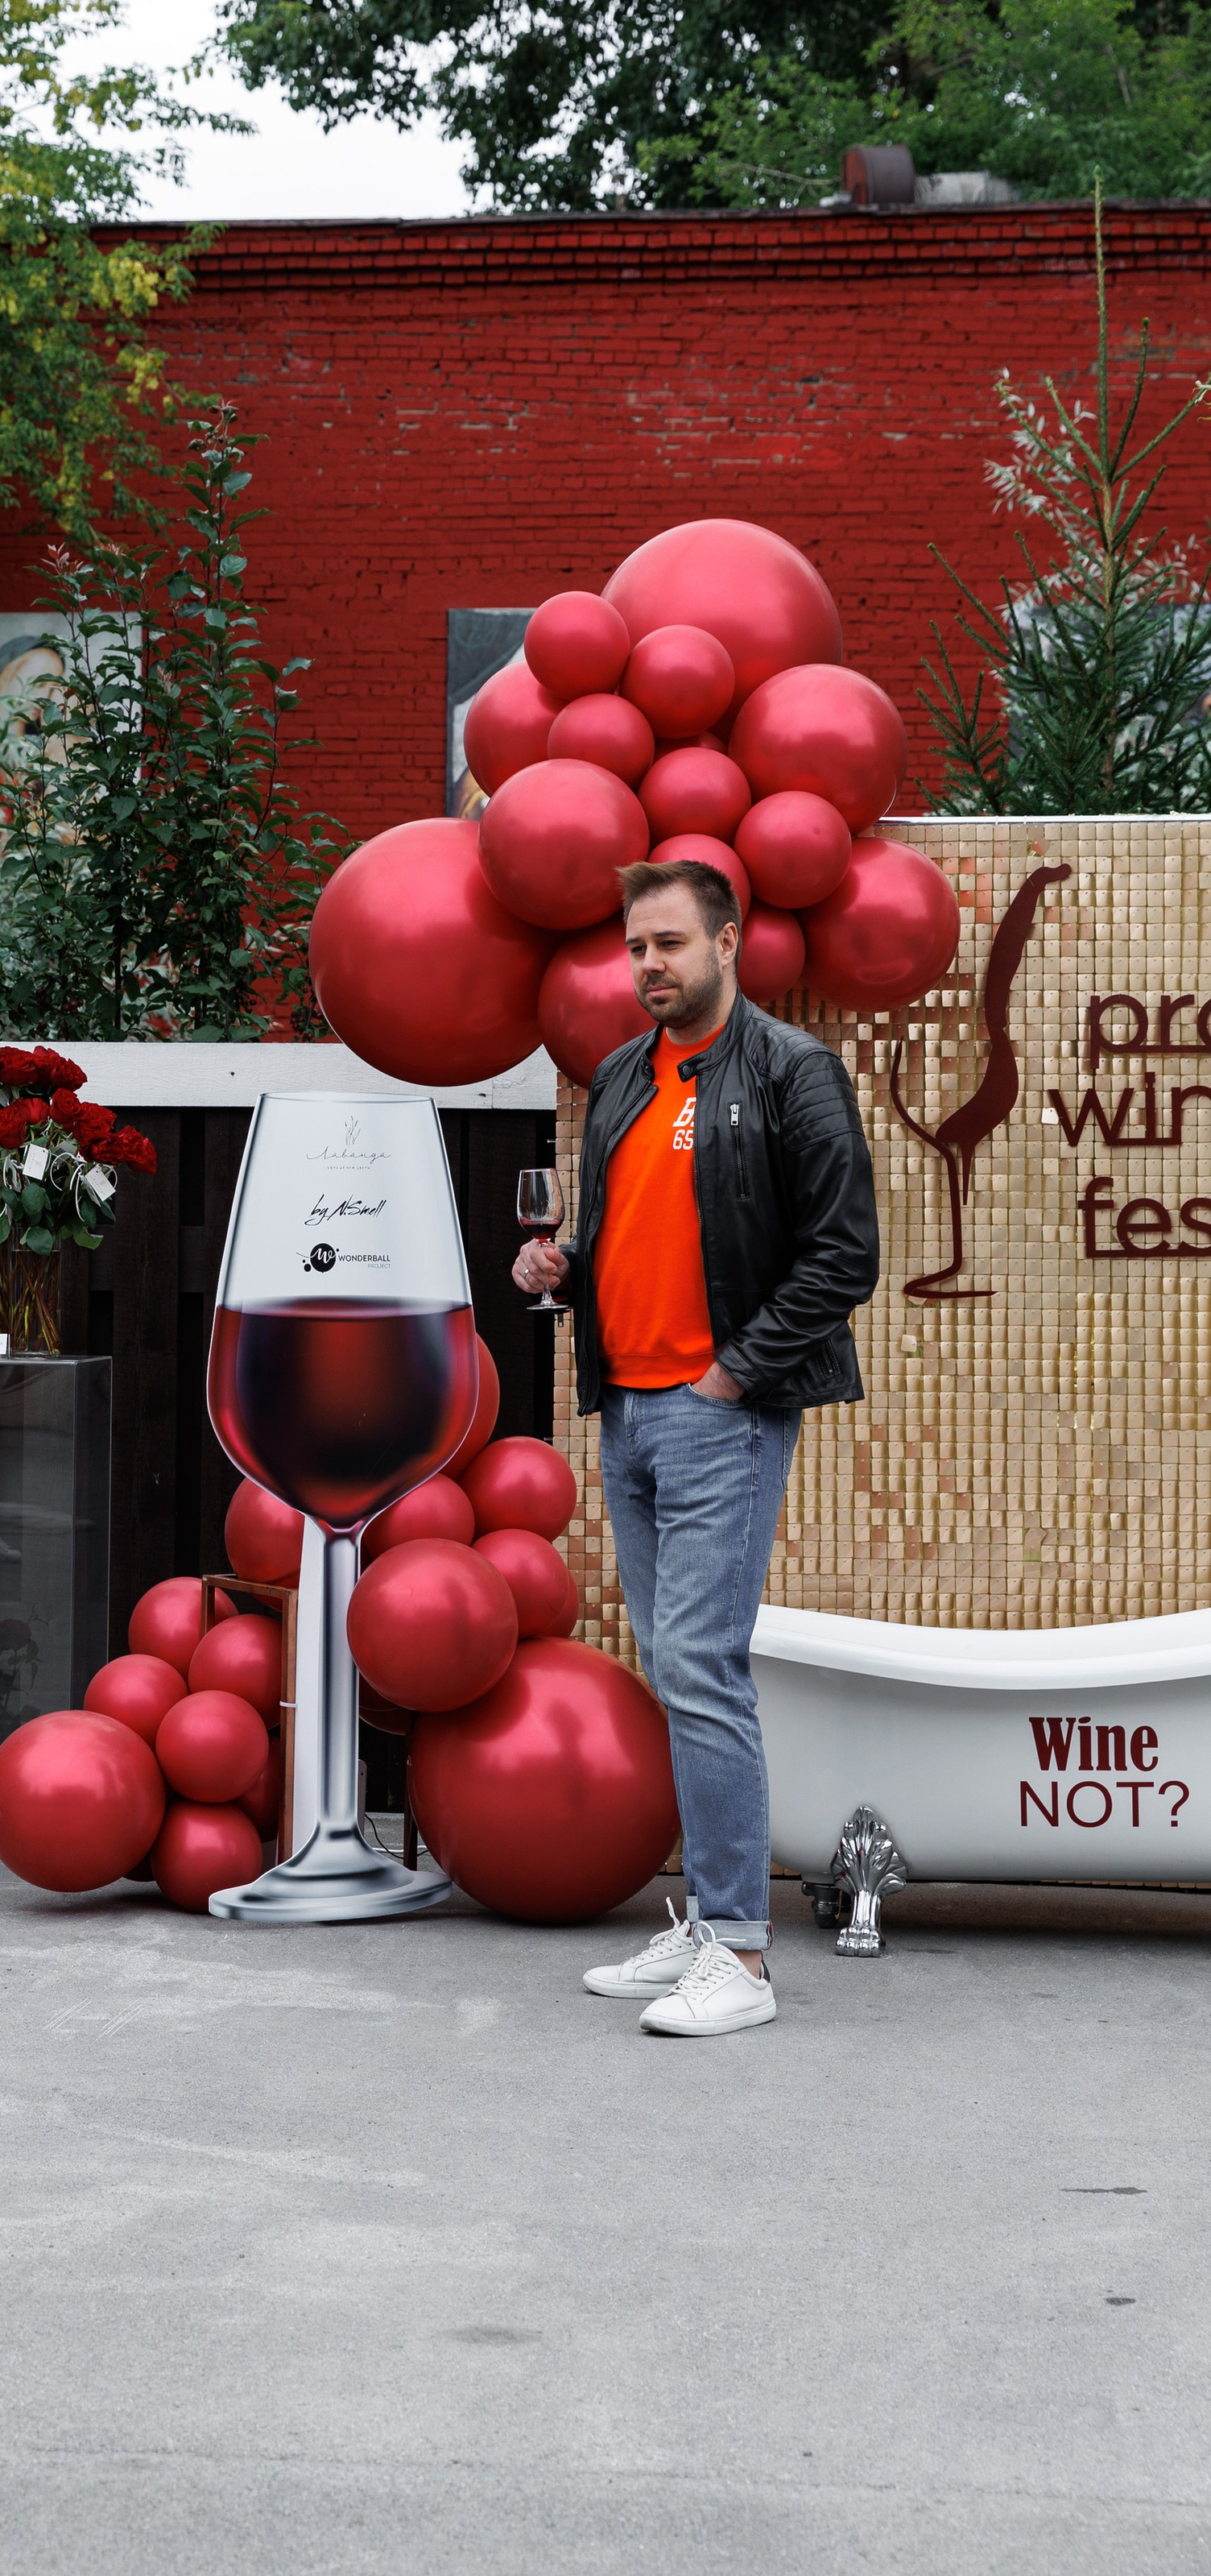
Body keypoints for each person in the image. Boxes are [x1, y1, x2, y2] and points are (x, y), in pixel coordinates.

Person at [514, 858, 878, 2039]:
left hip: (720, 1410)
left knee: (704, 1666)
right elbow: (632, 1238)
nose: (649, 966)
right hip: (628, 1409)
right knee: (678, 1668)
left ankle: (741, 1952)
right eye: (636, 948)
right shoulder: (624, 1073)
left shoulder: (792, 1070)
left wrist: (730, 1376)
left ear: (728, 943)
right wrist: (560, 1269)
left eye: (670, 943)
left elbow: (845, 1255)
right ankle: (709, 1921)